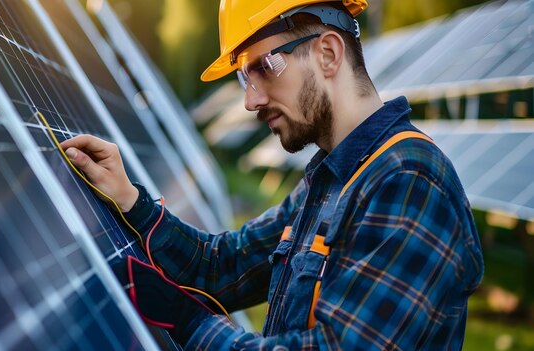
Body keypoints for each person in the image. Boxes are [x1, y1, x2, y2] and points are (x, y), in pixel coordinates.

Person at [60, 0, 484, 349]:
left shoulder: (408, 180)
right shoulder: (330, 180)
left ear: (328, 53)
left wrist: (188, 321)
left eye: (264, 66)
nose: (250, 99)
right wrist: (132, 201)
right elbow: (220, 267)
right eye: (245, 76)